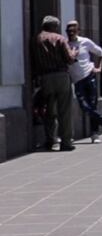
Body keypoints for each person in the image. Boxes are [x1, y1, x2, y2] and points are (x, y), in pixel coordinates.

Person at [66, 20, 102, 143]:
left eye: (73, 30)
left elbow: (101, 52)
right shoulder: (65, 43)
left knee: (92, 105)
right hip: (77, 80)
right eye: (68, 30)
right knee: (85, 106)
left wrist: (99, 67)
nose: (71, 32)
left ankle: (95, 134)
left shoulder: (85, 42)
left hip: (89, 76)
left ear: (78, 31)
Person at [30, 16, 76, 151]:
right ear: (55, 26)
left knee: (49, 110)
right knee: (64, 110)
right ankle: (66, 142)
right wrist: (74, 53)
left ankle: (50, 140)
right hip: (61, 76)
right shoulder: (60, 38)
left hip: (45, 77)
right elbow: (69, 59)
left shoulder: (36, 39)